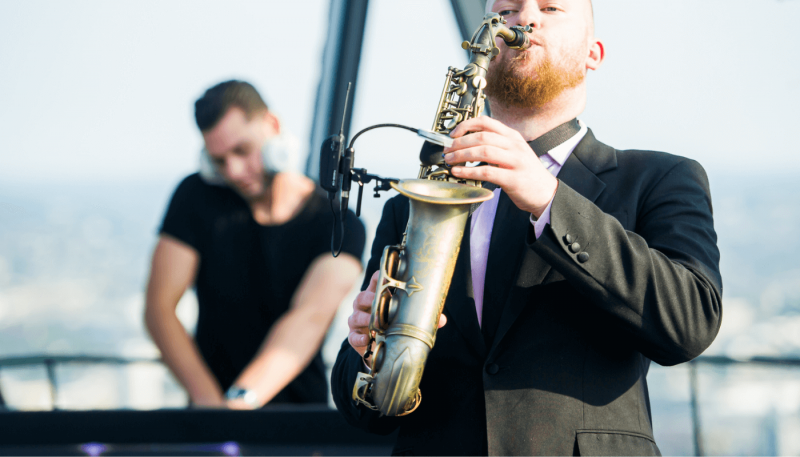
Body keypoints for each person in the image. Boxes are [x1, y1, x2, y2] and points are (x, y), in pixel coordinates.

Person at [331, 0, 722, 455]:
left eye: (551, 7)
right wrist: (367, 351)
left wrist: (549, 198)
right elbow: (362, 411)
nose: (525, 18)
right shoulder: (411, 206)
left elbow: (691, 322)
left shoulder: (662, 178)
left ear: (594, 53)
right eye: (508, 8)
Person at [145, 80, 365, 409]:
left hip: (296, 426)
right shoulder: (195, 198)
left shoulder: (338, 223)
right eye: (218, 160)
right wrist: (210, 406)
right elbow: (159, 309)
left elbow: (308, 318)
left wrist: (237, 405)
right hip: (211, 417)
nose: (233, 171)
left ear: (272, 126)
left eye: (241, 151)